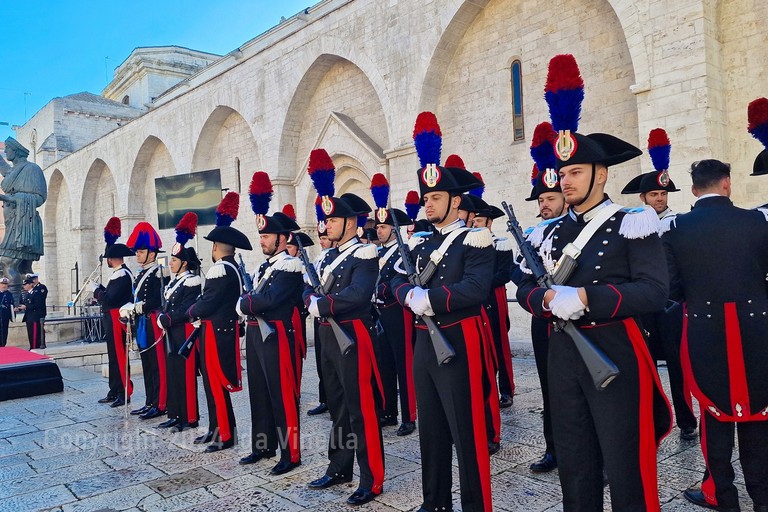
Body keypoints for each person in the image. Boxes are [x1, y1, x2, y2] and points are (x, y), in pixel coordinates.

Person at [515, 54, 672, 511]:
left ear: (601, 174)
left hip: (615, 352)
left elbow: (653, 291)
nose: (565, 181)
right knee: (575, 459)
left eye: (575, 172)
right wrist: (543, 299)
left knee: (626, 463)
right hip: (564, 355)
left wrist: (585, 297)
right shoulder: (548, 231)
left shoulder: (633, 222)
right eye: (562, 173)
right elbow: (523, 287)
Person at [391, 112, 495, 512]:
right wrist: (406, 296)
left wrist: (430, 300)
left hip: (458, 337)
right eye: (425, 197)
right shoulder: (419, 243)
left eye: (435, 198)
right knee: (431, 428)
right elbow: (392, 281)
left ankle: (475, 504)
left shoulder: (476, 238)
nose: (427, 203)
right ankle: (434, 501)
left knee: (465, 429)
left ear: (455, 201)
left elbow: (475, 288)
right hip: (424, 339)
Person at [662, 159, 768, 512]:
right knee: (759, 416)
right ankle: (763, 497)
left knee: (714, 415)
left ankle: (724, 499)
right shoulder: (758, 221)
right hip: (757, 330)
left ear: (694, 190)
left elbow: (671, 288)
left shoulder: (676, 227)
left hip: (704, 332)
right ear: (727, 184)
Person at [303, 148, 384, 506]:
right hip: (327, 337)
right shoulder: (328, 256)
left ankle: (372, 477)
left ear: (350, 223)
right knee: (336, 403)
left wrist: (322, 303)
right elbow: (310, 287)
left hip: (352, 335)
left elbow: (358, 294)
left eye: (332, 221)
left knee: (360, 407)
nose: (326, 226)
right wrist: (311, 298)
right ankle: (339, 466)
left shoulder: (364, 254)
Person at [621, 128, 697, 441]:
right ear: (644, 197)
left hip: (673, 305)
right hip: (643, 304)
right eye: (654, 195)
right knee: (645, 364)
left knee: (680, 368)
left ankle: (687, 420)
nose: (660, 199)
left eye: (663, 194)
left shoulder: (678, 223)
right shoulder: (633, 223)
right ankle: (650, 417)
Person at [237, 177, 304, 475]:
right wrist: (250, 301)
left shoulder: (289, 267)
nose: (261, 240)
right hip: (256, 333)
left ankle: (291, 452)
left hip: (275, 334)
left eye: (266, 236)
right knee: (259, 393)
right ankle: (262, 445)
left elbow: (268, 300)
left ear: (281, 239)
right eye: (261, 235)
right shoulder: (265, 267)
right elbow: (256, 296)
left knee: (281, 394)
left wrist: (245, 303)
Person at [516, 121, 568, 473]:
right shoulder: (534, 235)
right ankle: (554, 448)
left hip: (582, 320)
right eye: (541, 199)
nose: (545, 204)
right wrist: (542, 300)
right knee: (551, 390)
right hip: (545, 323)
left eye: (550, 198)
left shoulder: (581, 231)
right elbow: (520, 281)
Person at [187, 192, 251, 452]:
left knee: (216, 385)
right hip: (219, 330)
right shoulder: (232, 267)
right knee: (212, 386)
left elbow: (208, 303)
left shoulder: (220, 268)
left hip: (215, 332)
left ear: (215, 248)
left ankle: (225, 434)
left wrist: (192, 310)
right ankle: (216, 429)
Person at [370, 173, 417, 436]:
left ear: (395, 229)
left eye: (384, 227)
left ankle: (409, 415)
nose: (379, 230)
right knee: (383, 363)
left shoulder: (402, 251)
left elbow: (404, 278)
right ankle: (387, 411)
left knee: (403, 363)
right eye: (378, 226)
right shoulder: (376, 252)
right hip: (379, 313)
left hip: (398, 313)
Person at [156, 213, 202, 432]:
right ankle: (174, 413)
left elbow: (186, 309)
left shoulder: (191, 280)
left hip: (183, 332)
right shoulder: (174, 282)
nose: (171, 263)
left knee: (184, 375)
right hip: (171, 332)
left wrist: (167, 318)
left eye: (174, 260)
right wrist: (161, 317)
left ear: (184, 263)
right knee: (172, 372)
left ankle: (188, 417)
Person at [122, 222, 169, 420]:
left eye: (141, 252)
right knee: (147, 364)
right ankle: (150, 401)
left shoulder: (159, 273)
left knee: (157, 364)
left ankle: (160, 403)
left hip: (153, 323)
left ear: (152, 253)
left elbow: (158, 299)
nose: (137, 255)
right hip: (142, 323)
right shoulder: (141, 274)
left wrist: (138, 307)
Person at [92, 218, 135, 407]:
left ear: (112, 259)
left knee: (119, 356)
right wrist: (100, 288)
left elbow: (110, 298)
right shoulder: (117, 274)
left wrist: (96, 291)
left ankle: (124, 391)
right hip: (111, 318)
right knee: (113, 356)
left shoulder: (123, 274)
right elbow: (110, 295)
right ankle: (114, 389)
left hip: (118, 319)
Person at [0, 138, 47, 291]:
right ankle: (28, 300)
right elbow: (6, 171)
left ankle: (14, 303)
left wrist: (8, 198)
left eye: (7, 149)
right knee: (24, 267)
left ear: (16, 151)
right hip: (14, 222)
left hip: (23, 223)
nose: (5, 152)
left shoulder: (32, 169)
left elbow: (39, 198)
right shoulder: (14, 170)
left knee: (8, 261)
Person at [306, 198, 333, 417]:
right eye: (320, 237)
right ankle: (326, 398)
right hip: (318, 313)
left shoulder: (334, 257)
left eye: (325, 237)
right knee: (322, 360)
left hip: (333, 311)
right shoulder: (318, 259)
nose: (322, 241)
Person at [17, 276, 46, 349]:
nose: (24, 286)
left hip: (35, 316)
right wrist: (19, 308)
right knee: (30, 333)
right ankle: (32, 346)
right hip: (29, 316)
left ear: (30, 284)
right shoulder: (27, 294)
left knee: (35, 333)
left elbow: (37, 304)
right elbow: (24, 303)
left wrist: (26, 307)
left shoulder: (36, 292)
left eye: (25, 284)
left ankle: (35, 347)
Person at [0, 277, 14, 346]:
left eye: (5, 284)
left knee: (4, 332)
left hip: (5, 317)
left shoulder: (9, 294)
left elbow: (12, 304)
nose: (4, 286)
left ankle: (3, 345)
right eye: (2, 284)